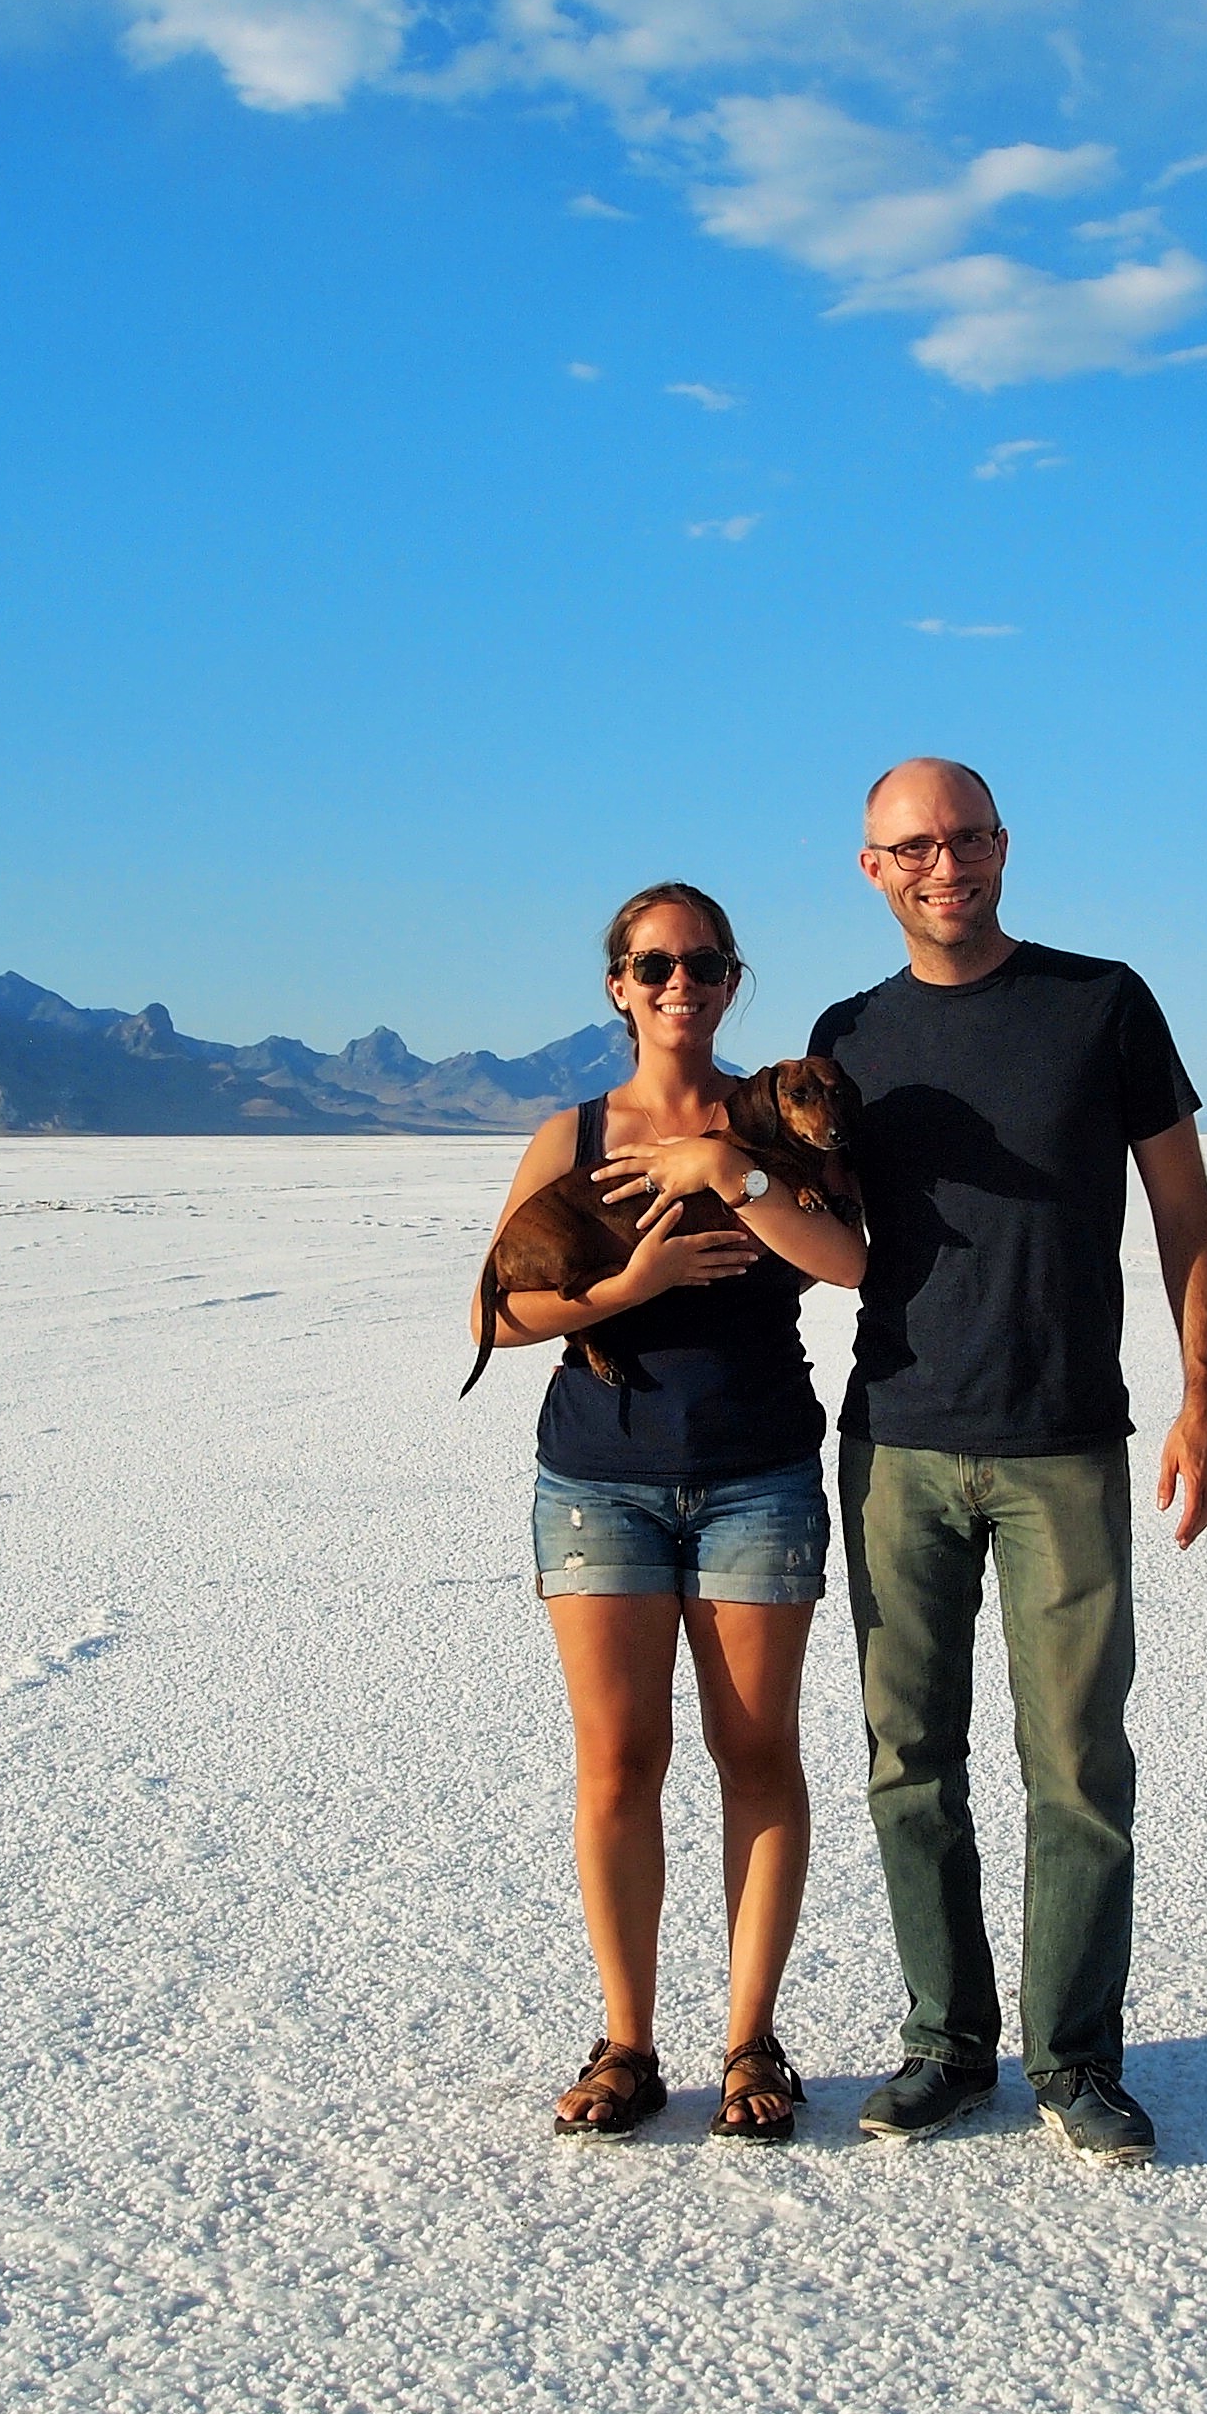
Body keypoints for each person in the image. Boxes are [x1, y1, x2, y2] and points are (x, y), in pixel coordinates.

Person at [807, 759, 1207, 2166]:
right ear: (874, 869)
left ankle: (1075, 2059)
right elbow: (822, 1228)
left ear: (1004, 846)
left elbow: (1186, 1214)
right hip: (896, 1444)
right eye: (916, 847)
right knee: (907, 1761)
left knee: (1079, 1766)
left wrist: (1206, 1400)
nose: (948, 865)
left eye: (969, 837)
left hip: (1063, 1444)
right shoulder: (847, 1036)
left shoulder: (1100, 1004)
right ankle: (946, 2044)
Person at [472, 882, 867, 2143]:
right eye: (654, 966)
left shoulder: (784, 1120)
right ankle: (627, 2044)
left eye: (702, 963)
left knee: (757, 1757)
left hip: (758, 1475)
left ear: (732, 981)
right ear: (619, 987)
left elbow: (852, 1261)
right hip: (599, 1480)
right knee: (619, 1763)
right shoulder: (574, 1133)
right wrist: (630, 1285)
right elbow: (493, 1312)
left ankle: (752, 2045)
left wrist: (727, 1172)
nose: (678, 983)